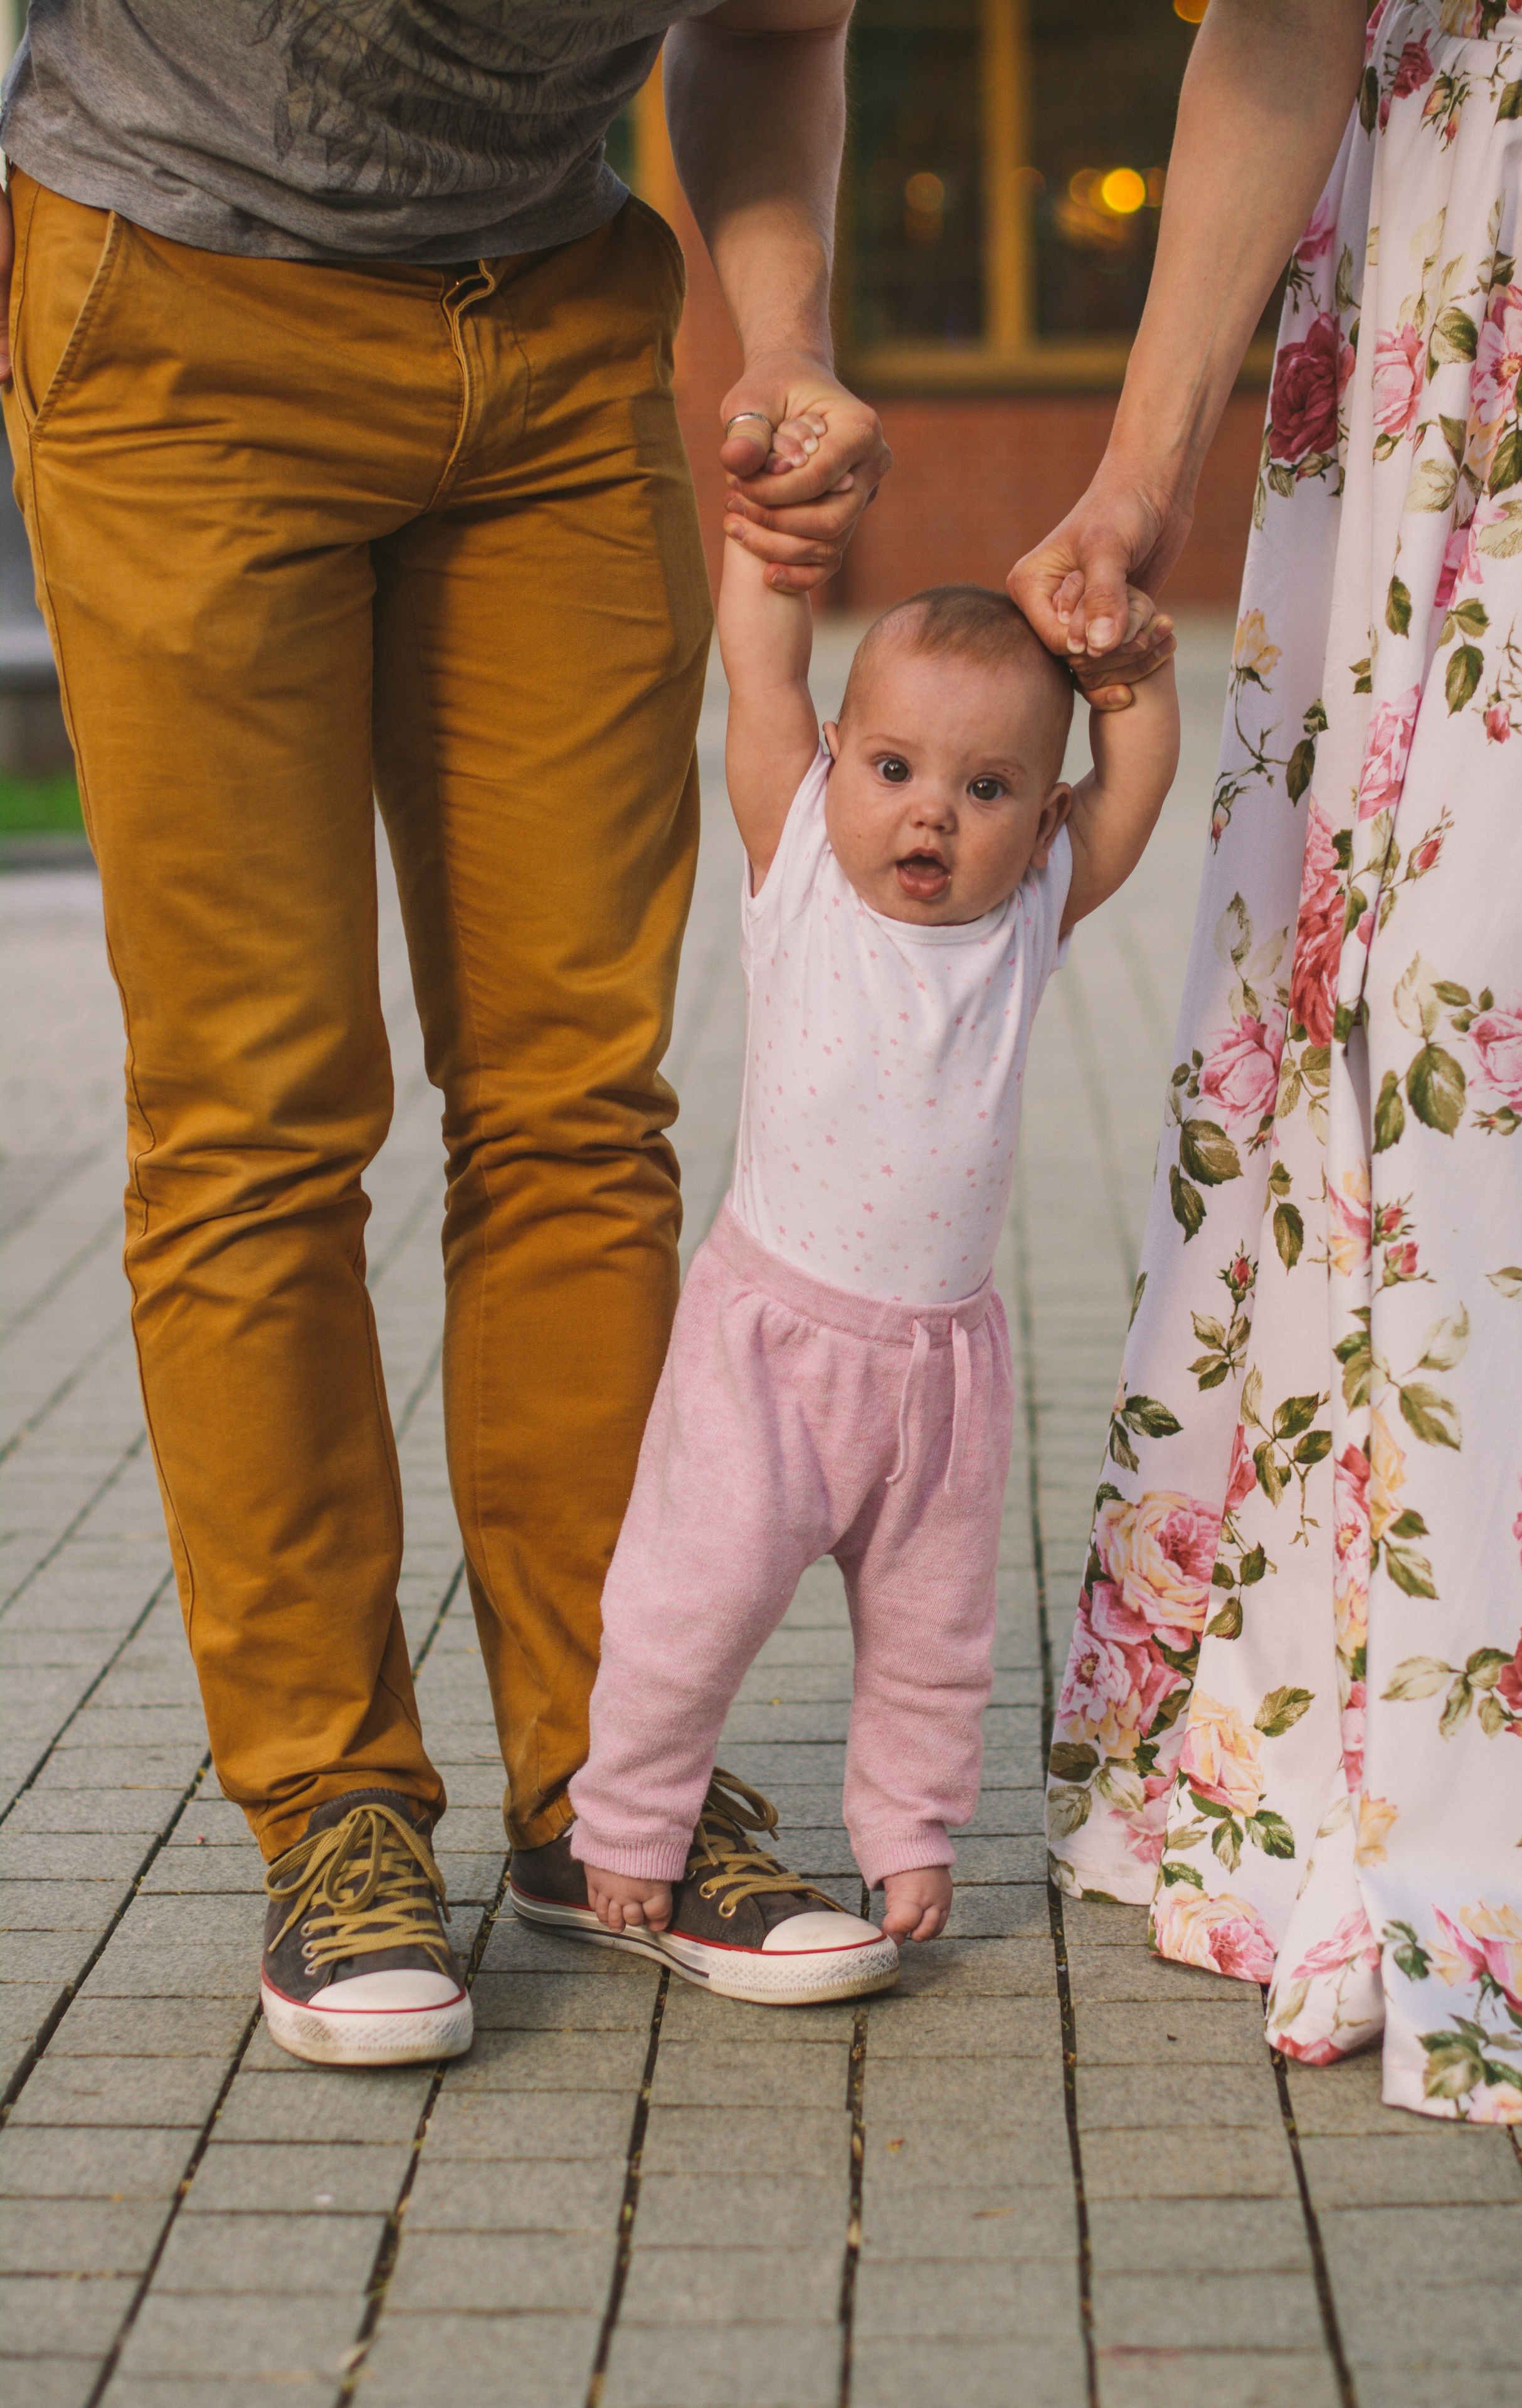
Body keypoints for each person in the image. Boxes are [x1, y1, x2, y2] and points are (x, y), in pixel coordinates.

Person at [0, 1, 896, 2069]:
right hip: (180, 307)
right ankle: (332, 1805)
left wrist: (781, 330)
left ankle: (614, 1790)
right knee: (257, 1104)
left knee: (583, 1096)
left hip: (560, 324)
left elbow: (769, 34)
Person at [1013, 0, 1522, 2121]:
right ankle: (1446, 1763)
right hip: (1488, 289)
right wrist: (1137, 471)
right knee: (1443, 1025)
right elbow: (1277, 24)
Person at [504, 530, 1179, 2004]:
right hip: (768, 1345)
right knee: (692, 1602)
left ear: (1035, 813)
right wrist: (765, 553)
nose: (929, 815)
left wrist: (1128, 674)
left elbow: (1132, 796)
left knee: (938, 1634)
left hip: (943, 1370)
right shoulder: (798, 859)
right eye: (893, 770)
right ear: (834, 760)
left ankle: (910, 1843)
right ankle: (623, 1825)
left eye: (984, 789)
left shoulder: (1022, 922)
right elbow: (755, 664)